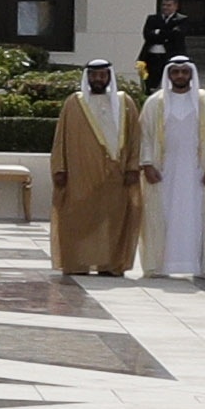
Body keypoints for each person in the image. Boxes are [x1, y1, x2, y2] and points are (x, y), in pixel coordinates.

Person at [50, 60, 141, 276]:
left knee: (113, 220)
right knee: (79, 217)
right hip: (80, 172)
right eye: (93, 75)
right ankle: (77, 263)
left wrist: (132, 167)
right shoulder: (74, 102)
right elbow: (60, 139)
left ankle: (110, 264)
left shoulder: (125, 102)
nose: (98, 79)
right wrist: (60, 168)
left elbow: (135, 138)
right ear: (87, 77)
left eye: (102, 75)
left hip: (116, 174)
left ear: (109, 76)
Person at [139, 57, 205, 279]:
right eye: (175, 72)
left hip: (199, 172)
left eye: (184, 72)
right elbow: (145, 136)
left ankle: (201, 266)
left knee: (199, 217)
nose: (180, 76)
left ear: (191, 74)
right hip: (163, 172)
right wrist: (147, 163)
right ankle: (160, 266)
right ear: (169, 75)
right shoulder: (155, 102)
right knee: (163, 215)